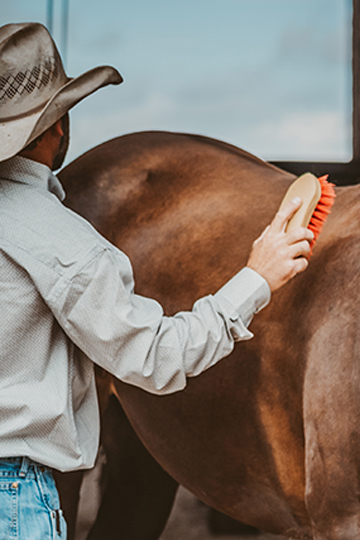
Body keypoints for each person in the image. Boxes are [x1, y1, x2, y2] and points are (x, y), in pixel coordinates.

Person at [0, 22, 314, 539]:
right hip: (14, 499)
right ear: (59, 127)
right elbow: (154, 357)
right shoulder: (64, 244)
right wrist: (257, 276)